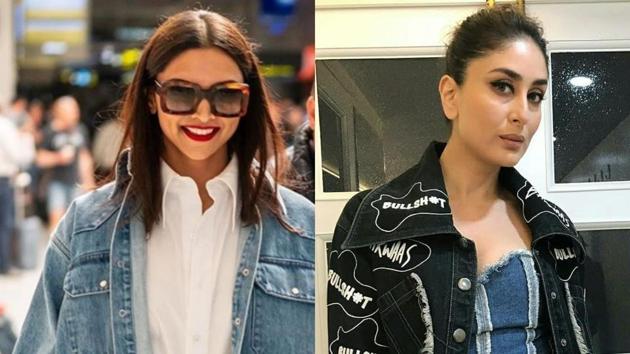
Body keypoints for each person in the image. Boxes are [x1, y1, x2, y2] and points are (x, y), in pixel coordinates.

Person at [14, 9, 314, 354]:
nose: (204, 114)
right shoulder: (85, 227)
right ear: (151, 97)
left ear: (246, 102)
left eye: (226, 95)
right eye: (181, 94)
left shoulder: (302, 228)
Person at [327, 5, 592, 354]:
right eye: (502, 86)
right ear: (451, 95)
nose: (522, 114)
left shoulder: (552, 227)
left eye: (535, 95)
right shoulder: (373, 219)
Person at [35, 96, 95, 232]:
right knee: (56, 222)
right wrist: (58, 158)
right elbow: (39, 158)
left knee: (77, 221)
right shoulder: (50, 131)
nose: (75, 114)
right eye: (71, 110)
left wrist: (89, 182)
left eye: (75, 110)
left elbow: (85, 157)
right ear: (60, 112)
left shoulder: (80, 130)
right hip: (56, 182)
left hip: (76, 183)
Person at [0, 113, 34, 274]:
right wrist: (26, 139)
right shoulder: (5, 126)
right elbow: (19, 156)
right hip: (3, 180)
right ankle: (4, 264)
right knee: (5, 223)